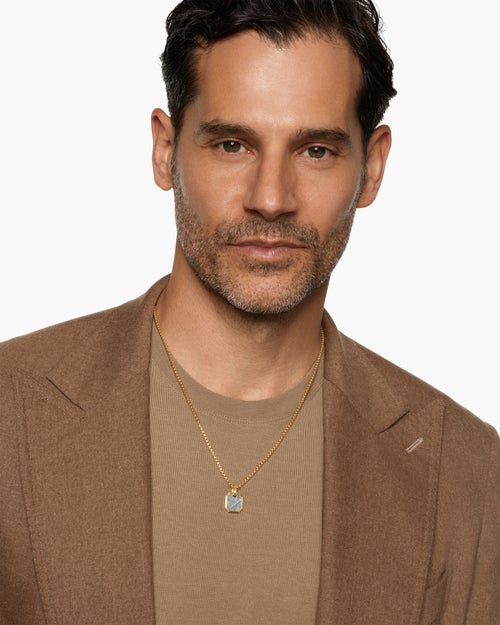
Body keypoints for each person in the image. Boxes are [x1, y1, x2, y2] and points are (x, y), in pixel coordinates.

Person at [0, 0, 498, 623]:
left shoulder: (467, 473)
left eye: (316, 151)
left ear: (371, 168)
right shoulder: (10, 413)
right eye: (232, 144)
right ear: (164, 150)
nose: (271, 198)